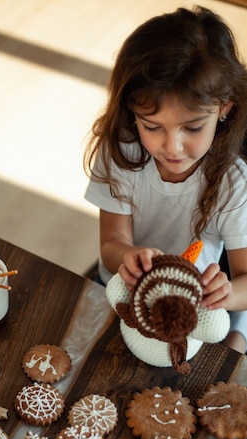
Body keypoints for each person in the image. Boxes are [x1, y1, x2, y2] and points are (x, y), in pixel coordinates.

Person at [84, 6, 247, 353]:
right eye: (152, 127)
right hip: (125, 291)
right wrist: (128, 255)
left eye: (192, 128)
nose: (172, 148)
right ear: (132, 111)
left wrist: (230, 292)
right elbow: (111, 245)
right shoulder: (122, 154)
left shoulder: (233, 183)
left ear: (225, 107)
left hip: (192, 307)